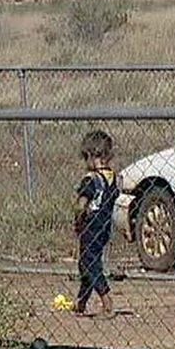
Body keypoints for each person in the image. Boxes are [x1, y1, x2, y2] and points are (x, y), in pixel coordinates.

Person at [74, 130, 120, 319]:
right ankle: (81, 301)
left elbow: (82, 204)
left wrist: (78, 218)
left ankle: (107, 301)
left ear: (92, 156)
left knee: (89, 263)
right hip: (104, 226)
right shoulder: (113, 178)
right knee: (87, 263)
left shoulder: (91, 179)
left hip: (90, 225)